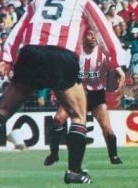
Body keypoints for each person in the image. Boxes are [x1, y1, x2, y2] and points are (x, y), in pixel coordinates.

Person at [0, 0, 127, 184]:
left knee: (3, 110)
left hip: (31, 53)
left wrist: (6, 57)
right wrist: (116, 64)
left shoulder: (39, 0)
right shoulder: (83, 1)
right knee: (77, 115)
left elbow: (19, 28)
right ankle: (74, 171)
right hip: (61, 56)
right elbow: (104, 33)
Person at [44, 29, 123, 167]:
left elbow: (113, 74)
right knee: (57, 120)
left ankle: (114, 156)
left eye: (95, 35)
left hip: (96, 96)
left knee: (107, 129)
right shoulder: (75, 52)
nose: (94, 38)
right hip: (74, 94)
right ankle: (54, 153)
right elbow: (61, 72)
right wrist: (53, 91)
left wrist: (115, 74)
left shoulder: (104, 53)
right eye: (90, 35)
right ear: (83, 36)